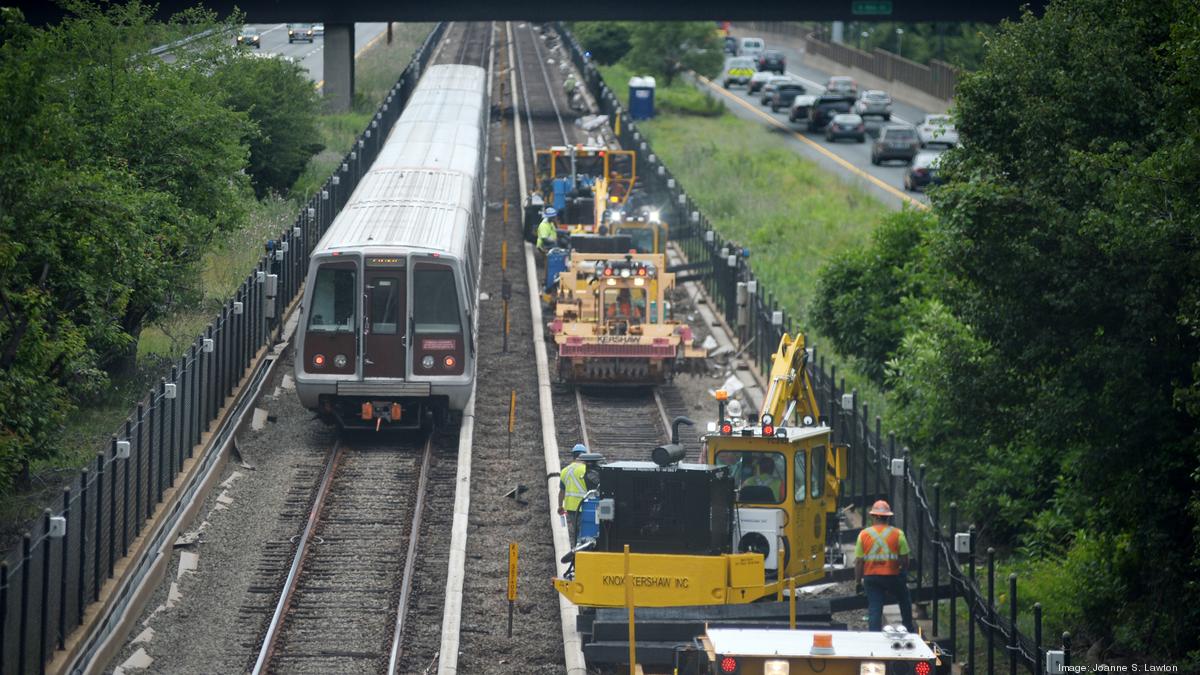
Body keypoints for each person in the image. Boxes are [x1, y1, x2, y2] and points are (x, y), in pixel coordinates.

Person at [855, 500, 915, 632]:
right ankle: (909, 628)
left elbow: (859, 562)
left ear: (873, 516)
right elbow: (905, 560)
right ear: (888, 517)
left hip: (871, 578)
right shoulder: (898, 534)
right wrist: (903, 573)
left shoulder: (863, 534)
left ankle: (874, 635)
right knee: (904, 598)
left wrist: (858, 582)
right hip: (892, 577)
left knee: (875, 607)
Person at [558, 443, 588, 545]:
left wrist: (560, 506)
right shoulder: (586, 470)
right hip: (584, 506)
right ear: (584, 455)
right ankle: (579, 553)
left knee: (576, 531)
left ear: (573, 455)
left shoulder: (564, 471)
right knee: (584, 531)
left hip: (570, 508)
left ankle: (575, 551)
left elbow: (561, 492)